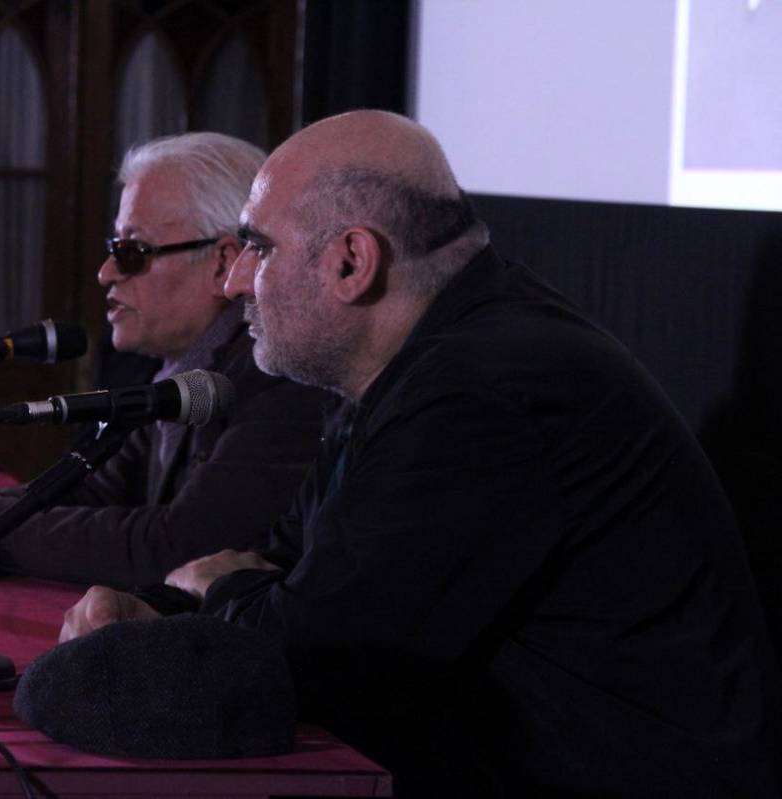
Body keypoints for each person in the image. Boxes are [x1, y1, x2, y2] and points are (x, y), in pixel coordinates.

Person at [57, 111, 780, 795]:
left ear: (351, 262)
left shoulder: (484, 388)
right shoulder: (411, 368)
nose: (236, 278)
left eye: (259, 247)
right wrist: (155, 606)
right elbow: (287, 564)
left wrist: (215, 593)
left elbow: (320, 658)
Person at [0, 132, 331, 589]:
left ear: (223, 262)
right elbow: (93, 491)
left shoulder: (280, 377)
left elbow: (179, 547)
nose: (105, 273)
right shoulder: (185, 368)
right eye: (113, 250)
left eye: (131, 252)